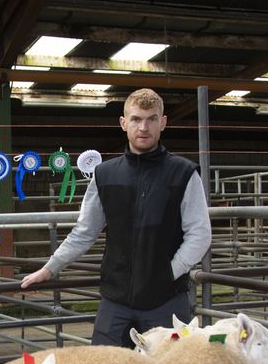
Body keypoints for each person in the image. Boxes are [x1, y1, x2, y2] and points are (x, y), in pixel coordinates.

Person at [21, 88, 211, 347]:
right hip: (116, 301)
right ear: (123, 123)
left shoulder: (184, 174)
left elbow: (199, 234)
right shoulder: (105, 175)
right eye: (136, 119)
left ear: (163, 122)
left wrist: (169, 273)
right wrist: (50, 267)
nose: (143, 127)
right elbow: (84, 231)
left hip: (165, 300)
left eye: (151, 119)